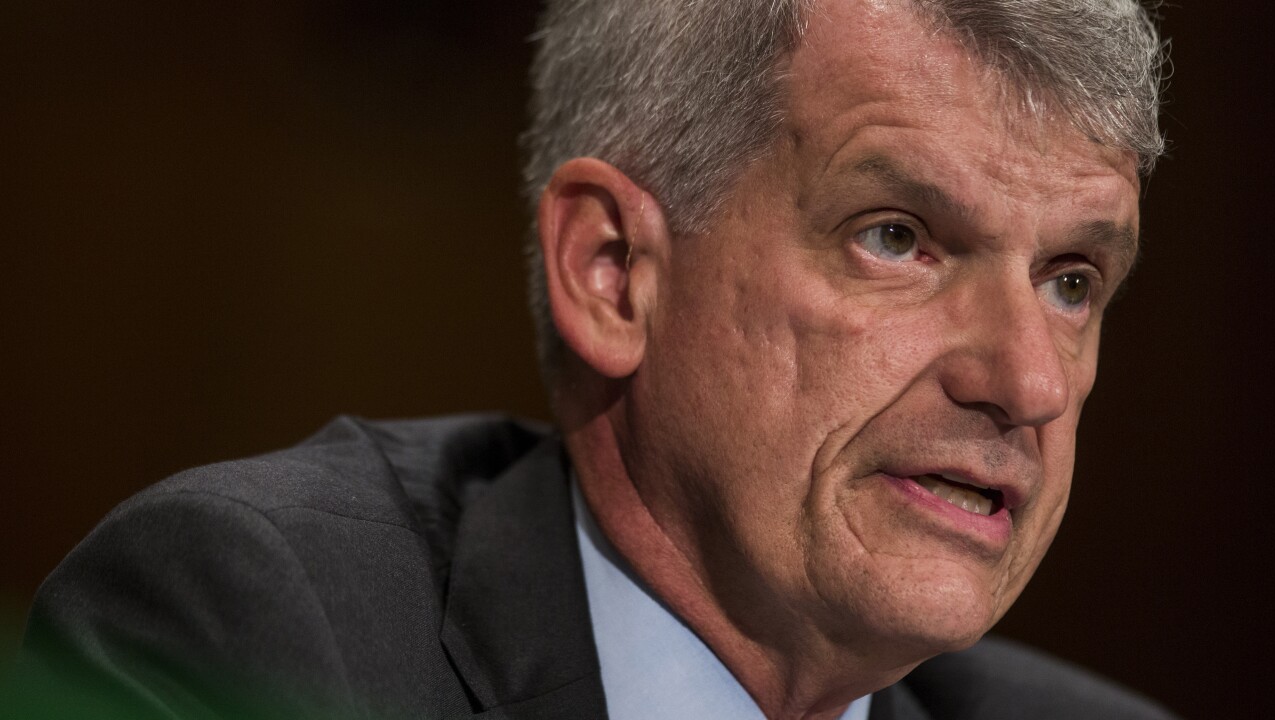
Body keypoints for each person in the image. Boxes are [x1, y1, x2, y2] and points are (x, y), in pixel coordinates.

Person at [7, 0, 1177, 718]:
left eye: (1070, 280)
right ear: (612, 272)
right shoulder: (262, 637)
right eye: (895, 239)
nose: (1027, 382)